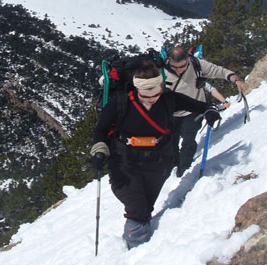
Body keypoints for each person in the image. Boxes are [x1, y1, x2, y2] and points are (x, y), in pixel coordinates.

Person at [89, 60, 220, 249]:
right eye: (146, 93)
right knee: (137, 209)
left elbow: (200, 106)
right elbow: (100, 131)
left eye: (156, 92)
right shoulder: (120, 103)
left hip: (158, 163)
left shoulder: (169, 98)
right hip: (125, 163)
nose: (152, 98)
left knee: (146, 207)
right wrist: (100, 149)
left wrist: (210, 111)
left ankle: (145, 249)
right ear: (137, 89)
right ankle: (135, 251)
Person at [164, 46, 249, 177]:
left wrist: (236, 79)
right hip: (169, 114)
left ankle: (183, 170)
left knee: (189, 140)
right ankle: (171, 167)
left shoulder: (196, 64)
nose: (178, 70)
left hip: (193, 112)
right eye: (174, 67)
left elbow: (219, 71)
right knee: (170, 143)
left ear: (188, 60)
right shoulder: (161, 70)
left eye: (182, 66)